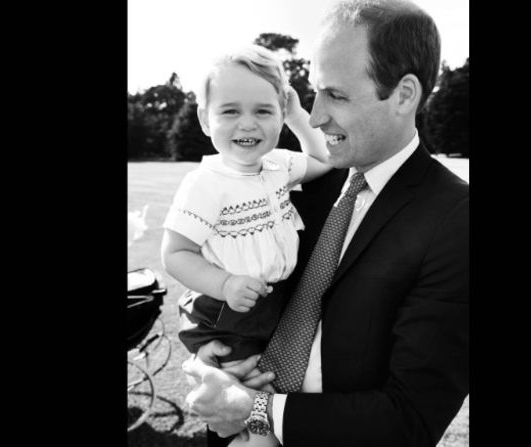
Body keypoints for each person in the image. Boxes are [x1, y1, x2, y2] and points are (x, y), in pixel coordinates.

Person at [181, 1, 469, 446]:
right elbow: (219, 261)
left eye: (335, 95)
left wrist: (252, 409)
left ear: (404, 95)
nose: (313, 117)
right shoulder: (296, 181)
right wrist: (211, 354)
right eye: (314, 93)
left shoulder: (455, 218)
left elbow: (410, 419)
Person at [161, 44, 331, 447]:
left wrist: (296, 115)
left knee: (269, 384)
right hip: (226, 312)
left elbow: (324, 157)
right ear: (205, 119)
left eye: (264, 111)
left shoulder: (279, 166)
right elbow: (175, 253)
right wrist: (224, 283)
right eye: (230, 111)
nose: (248, 124)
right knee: (240, 389)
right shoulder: (206, 183)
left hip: (271, 302)